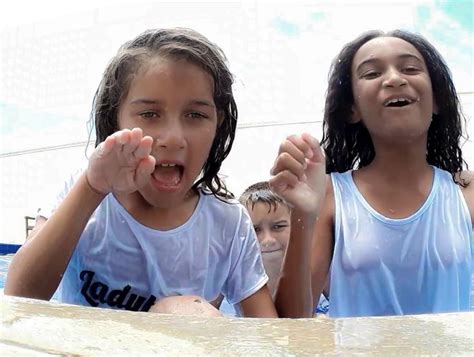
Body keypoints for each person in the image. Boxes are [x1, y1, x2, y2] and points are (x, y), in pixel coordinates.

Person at [5, 28, 277, 318]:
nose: (173, 138)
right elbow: (19, 297)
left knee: (189, 314)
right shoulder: (83, 193)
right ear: (115, 121)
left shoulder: (228, 222)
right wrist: (91, 188)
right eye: (150, 114)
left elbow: (265, 333)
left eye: (196, 115)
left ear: (218, 126)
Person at [271, 30, 473, 318]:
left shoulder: (466, 192)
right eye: (371, 73)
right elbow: (293, 324)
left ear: (437, 99)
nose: (394, 79)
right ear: (352, 108)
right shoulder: (329, 195)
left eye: (410, 68)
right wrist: (303, 213)